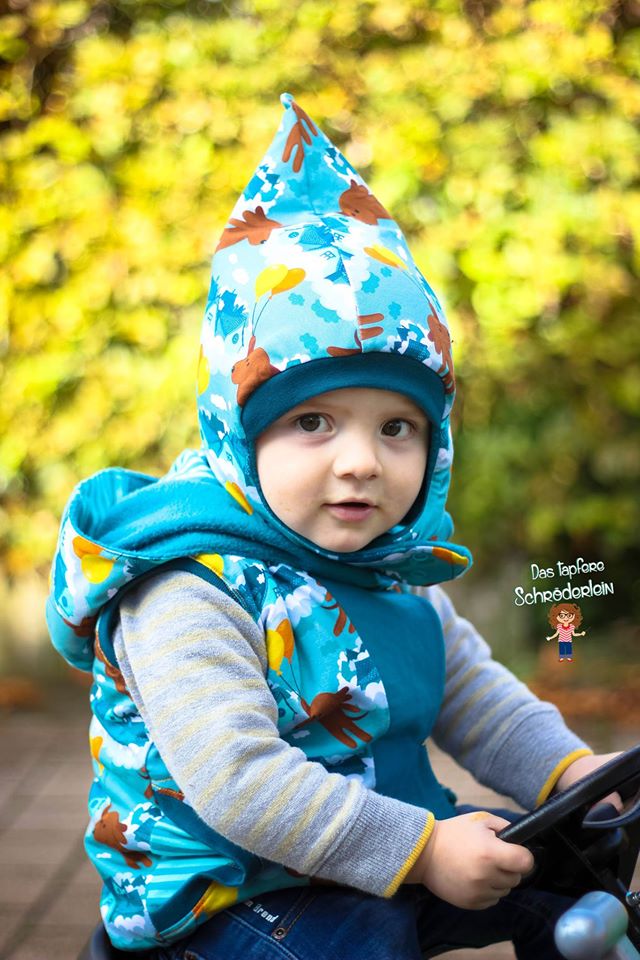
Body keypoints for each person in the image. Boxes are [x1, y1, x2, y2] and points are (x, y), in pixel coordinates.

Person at [47, 94, 620, 959]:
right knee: (364, 936)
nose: (362, 462)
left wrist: (574, 773)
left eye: (397, 428)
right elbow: (239, 782)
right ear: (242, 437)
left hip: (377, 852)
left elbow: (476, 697)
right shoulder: (186, 586)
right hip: (222, 898)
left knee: (558, 868)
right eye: (314, 422)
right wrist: (424, 852)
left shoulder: (388, 567)